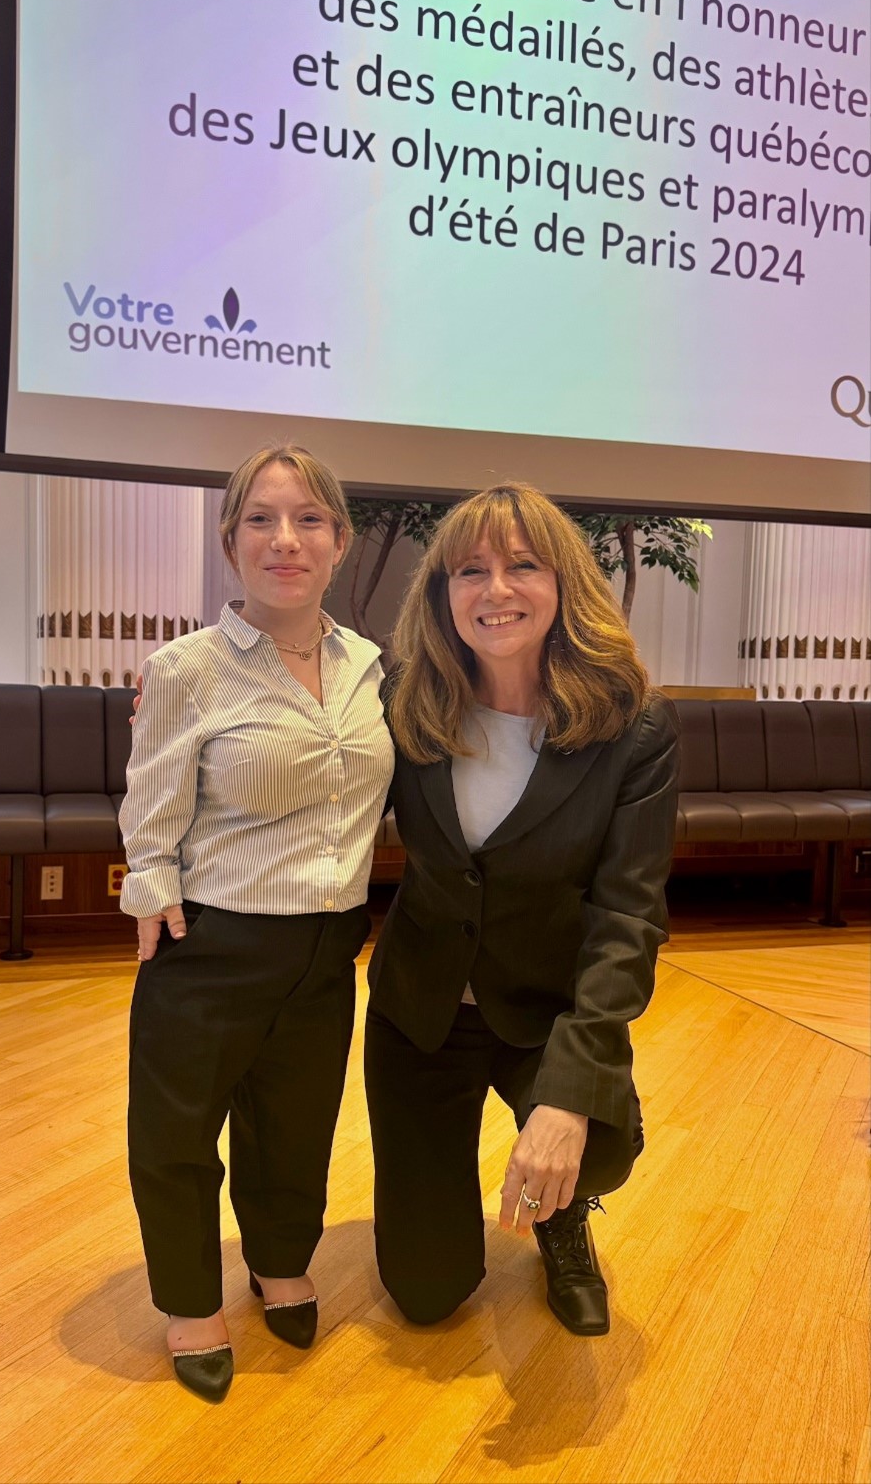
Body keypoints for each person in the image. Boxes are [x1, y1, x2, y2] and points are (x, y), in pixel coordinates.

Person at [365, 482, 679, 1336]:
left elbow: (629, 919)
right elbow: (298, 724)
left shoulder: (633, 726)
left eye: (522, 565)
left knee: (603, 1142)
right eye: (471, 570)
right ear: (443, 595)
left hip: (544, 1004)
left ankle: (563, 1211)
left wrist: (569, 1098)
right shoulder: (401, 699)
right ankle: (475, 1203)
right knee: (426, 1294)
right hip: (422, 1008)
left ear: (563, 582)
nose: (495, 589)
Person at [119, 446, 393, 1402]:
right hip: (214, 943)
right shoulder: (185, 670)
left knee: (296, 1122)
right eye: (262, 519)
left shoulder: (371, 666)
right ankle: (192, 1299)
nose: (287, 539)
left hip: (328, 944)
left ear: (341, 541)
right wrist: (149, 890)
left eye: (310, 519)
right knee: (178, 1131)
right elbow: (149, 808)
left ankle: (280, 1257)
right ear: (230, 538)